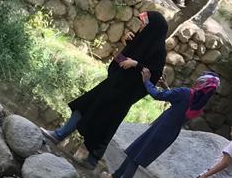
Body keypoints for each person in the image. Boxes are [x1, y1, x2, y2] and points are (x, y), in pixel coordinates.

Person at [43, 10, 169, 168]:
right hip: (113, 84)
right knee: (85, 104)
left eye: (144, 24)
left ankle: (92, 159)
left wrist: (136, 64)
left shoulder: (159, 51)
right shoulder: (138, 38)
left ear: (153, 28)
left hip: (125, 95)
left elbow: (154, 74)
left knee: (105, 123)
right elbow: (120, 59)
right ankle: (59, 134)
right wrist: (128, 43)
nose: (141, 26)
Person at [106, 70, 220, 178]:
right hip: (169, 133)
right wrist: (166, 87)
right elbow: (179, 103)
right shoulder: (198, 105)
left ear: (201, 82)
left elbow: (157, 95)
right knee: (135, 152)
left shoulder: (185, 92)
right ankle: (114, 177)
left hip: (160, 129)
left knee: (136, 159)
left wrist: (146, 81)